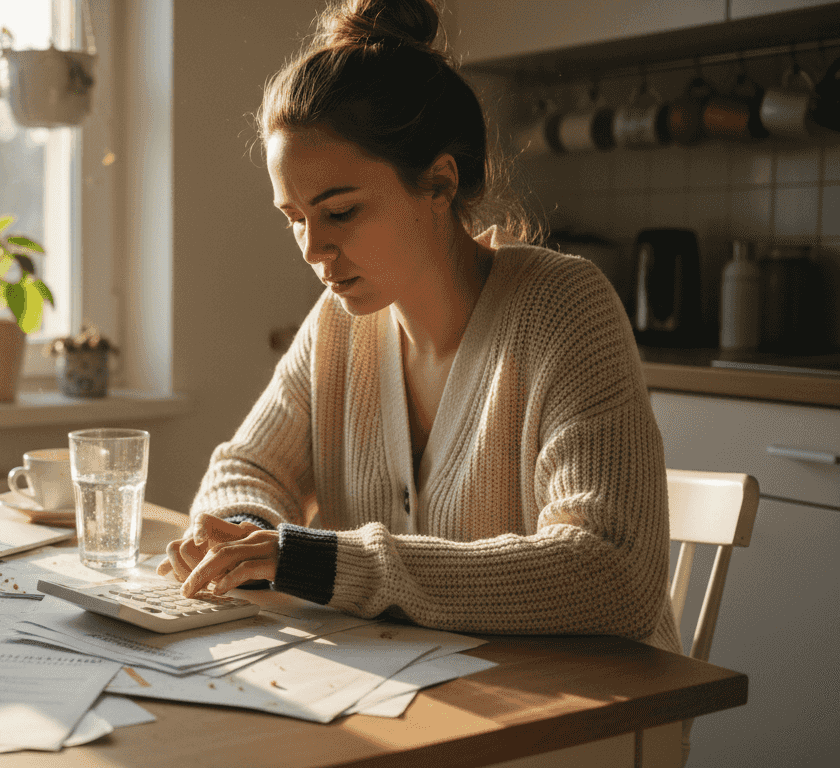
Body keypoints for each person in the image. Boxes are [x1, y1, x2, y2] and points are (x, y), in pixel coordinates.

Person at [158, 0, 680, 655]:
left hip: (589, 705)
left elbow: (614, 573)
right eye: (294, 218)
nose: (312, 249)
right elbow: (250, 466)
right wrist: (241, 533)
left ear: (439, 183)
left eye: (339, 212)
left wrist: (319, 562)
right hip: (416, 694)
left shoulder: (564, 308)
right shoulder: (337, 326)